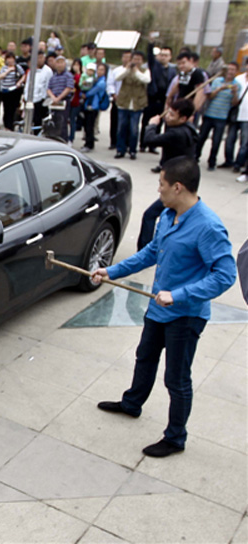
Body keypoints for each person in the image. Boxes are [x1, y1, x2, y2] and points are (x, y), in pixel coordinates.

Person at [93, 157, 236, 458]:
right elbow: (151, 253)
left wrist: (180, 294)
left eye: (161, 184)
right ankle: (132, 404)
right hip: (158, 309)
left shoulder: (208, 227)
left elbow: (225, 276)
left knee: (177, 378)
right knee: (144, 356)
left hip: (185, 316)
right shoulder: (167, 216)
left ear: (178, 187)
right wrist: (112, 271)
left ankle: (175, 438)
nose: (158, 190)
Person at [137, 99, 198, 248]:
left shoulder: (177, 134)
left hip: (177, 183)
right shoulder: (189, 129)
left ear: (183, 118)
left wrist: (152, 124)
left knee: (150, 215)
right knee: (171, 216)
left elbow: (149, 140)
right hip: (182, 179)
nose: (167, 117)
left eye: (172, 114)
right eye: (168, 112)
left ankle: (145, 250)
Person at [196, 62, 241, 172]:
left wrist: (234, 93)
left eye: (232, 70)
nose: (230, 72)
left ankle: (212, 161)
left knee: (216, 141)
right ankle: (195, 156)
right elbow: (210, 96)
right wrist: (219, 89)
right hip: (209, 114)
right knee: (201, 137)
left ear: (236, 71)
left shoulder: (237, 85)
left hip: (222, 117)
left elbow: (235, 103)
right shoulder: (217, 81)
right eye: (228, 69)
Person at [141, 38, 176, 154]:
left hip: (164, 100)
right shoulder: (155, 66)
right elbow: (150, 56)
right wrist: (151, 44)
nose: (163, 57)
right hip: (152, 98)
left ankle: (153, 145)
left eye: (166, 55)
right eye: (162, 55)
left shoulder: (173, 70)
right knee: (146, 121)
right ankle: (143, 143)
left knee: (159, 122)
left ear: (170, 57)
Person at [114, 50, 151, 160]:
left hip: (137, 104)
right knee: (121, 128)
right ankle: (120, 150)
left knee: (134, 129)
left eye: (139, 59)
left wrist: (136, 71)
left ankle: (133, 150)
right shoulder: (125, 70)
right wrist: (127, 69)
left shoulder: (145, 70)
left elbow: (146, 80)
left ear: (142, 61)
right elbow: (117, 78)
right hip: (123, 103)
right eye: (134, 59)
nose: (136, 61)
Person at [80, 63, 109, 152]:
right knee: (86, 124)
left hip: (94, 106)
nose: (99, 71)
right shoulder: (94, 79)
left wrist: (85, 95)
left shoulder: (102, 82)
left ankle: (89, 144)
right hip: (88, 104)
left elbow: (91, 92)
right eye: (98, 69)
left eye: (102, 70)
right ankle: (88, 143)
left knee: (90, 125)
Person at [47, 55, 75, 142]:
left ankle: (64, 140)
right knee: (53, 121)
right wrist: (53, 97)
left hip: (64, 100)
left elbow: (69, 88)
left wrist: (59, 98)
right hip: (54, 101)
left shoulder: (68, 75)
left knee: (62, 121)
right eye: (58, 62)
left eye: (61, 62)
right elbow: (48, 89)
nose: (59, 65)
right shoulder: (53, 76)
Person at [24, 50, 53, 132]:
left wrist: (44, 99)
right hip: (29, 99)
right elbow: (27, 84)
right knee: (28, 121)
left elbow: (48, 86)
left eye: (41, 58)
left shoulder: (48, 71)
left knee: (38, 122)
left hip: (40, 100)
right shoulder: (31, 70)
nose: (39, 60)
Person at [0, 52, 25, 131]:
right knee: (6, 109)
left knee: (13, 109)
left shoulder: (18, 67)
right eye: (8, 58)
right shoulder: (4, 68)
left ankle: (11, 125)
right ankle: (6, 125)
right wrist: (8, 71)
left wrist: (19, 82)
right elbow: (0, 76)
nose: (10, 60)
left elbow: (24, 75)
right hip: (5, 91)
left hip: (14, 90)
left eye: (12, 58)